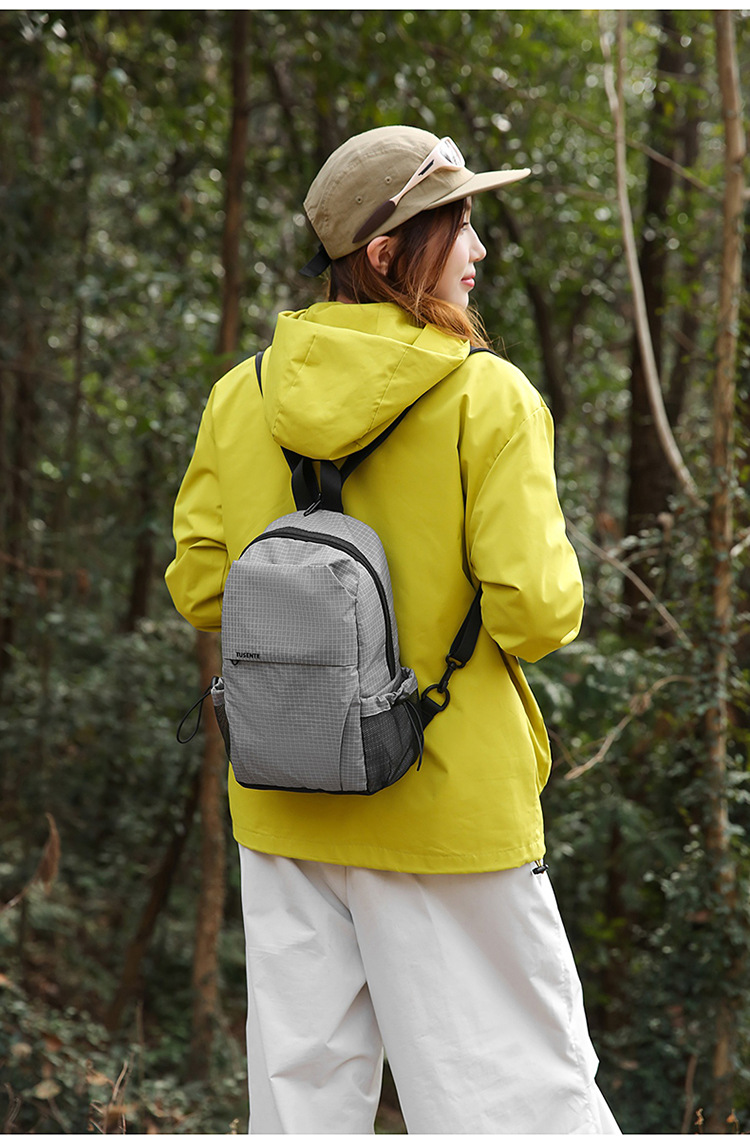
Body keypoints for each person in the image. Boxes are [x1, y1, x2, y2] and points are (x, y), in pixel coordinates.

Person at [165, 125, 621, 1135]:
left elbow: (201, 588)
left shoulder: (242, 396)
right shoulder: (485, 395)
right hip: (448, 803)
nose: (479, 248)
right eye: (459, 224)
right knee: (516, 1102)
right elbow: (537, 614)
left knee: (301, 1105)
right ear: (386, 254)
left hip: (285, 800)